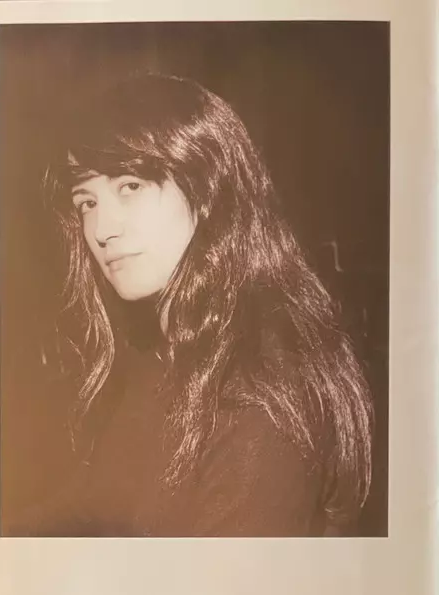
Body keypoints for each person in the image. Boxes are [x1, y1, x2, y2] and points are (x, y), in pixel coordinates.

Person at [21, 72, 373, 537]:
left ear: (208, 187)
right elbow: (91, 502)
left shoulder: (260, 391)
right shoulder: (165, 351)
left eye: (131, 187)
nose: (102, 229)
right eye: (86, 202)